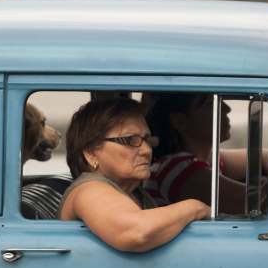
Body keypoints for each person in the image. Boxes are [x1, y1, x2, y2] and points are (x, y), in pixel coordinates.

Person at [59, 96, 210, 252]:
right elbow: (135, 233)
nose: (147, 150)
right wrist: (196, 208)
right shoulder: (88, 190)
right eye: (131, 140)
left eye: (146, 139)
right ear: (91, 153)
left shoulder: (133, 192)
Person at [144, 93, 268, 213]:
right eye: (211, 103)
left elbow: (263, 157)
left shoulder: (208, 158)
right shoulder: (175, 168)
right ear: (179, 120)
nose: (227, 108)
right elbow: (253, 201)